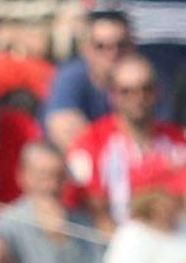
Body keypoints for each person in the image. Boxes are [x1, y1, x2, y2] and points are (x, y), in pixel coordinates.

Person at [0, 138, 108, 263]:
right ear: (23, 177)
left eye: (59, 176)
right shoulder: (3, 227)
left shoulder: (83, 224)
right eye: (42, 176)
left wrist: (65, 242)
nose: (51, 185)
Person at [65, 51, 186, 228]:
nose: (138, 98)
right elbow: (89, 208)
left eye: (146, 89)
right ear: (112, 95)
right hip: (113, 238)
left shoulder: (178, 141)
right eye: (126, 91)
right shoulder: (91, 143)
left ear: (157, 91)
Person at [45, 6, 130, 155]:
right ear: (86, 48)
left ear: (132, 47)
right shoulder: (70, 77)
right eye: (101, 46)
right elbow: (66, 134)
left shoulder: (145, 81)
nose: (112, 53)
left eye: (120, 45)